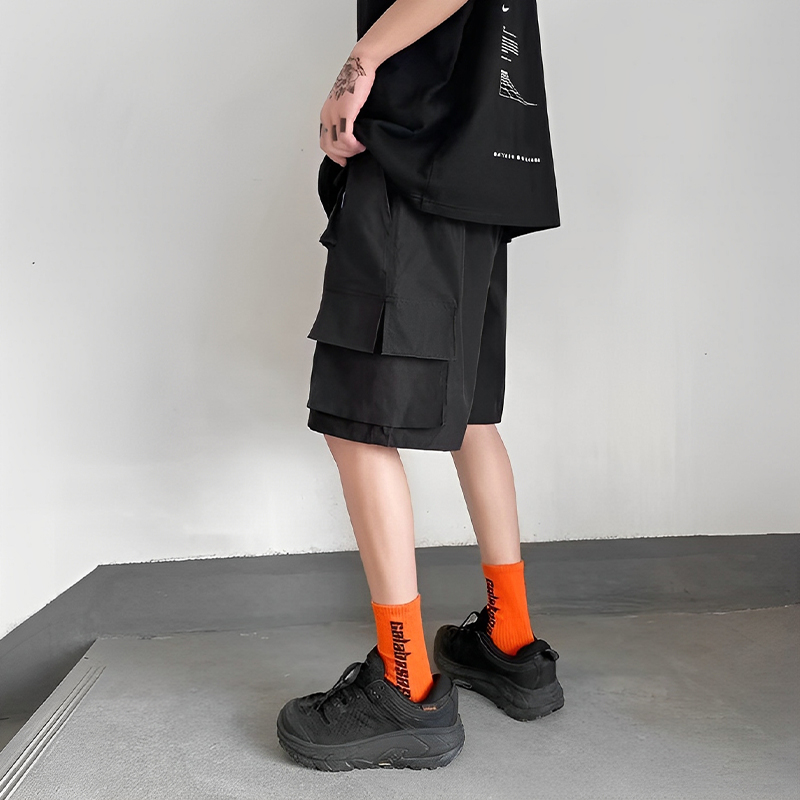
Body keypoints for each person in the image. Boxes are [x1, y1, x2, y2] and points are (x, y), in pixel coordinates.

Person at [277, 0, 563, 771]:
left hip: (416, 161)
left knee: (357, 422)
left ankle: (405, 684)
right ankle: (510, 642)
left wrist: (359, 64)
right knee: (469, 415)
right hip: (478, 169)